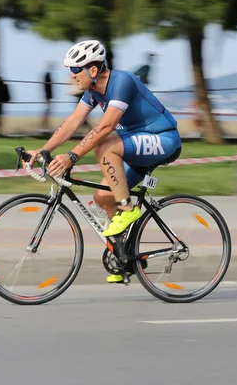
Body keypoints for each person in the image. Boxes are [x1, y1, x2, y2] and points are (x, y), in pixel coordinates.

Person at [26, 40, 182, 283]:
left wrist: (71, 156)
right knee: (102, 197)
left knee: (105, 145)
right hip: (136, 144)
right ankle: (127, 259)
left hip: (163, 138)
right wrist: (42, 150)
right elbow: (72, 123)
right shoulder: (93, 93)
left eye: (75, 70)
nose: (71, 76)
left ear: (94, 70)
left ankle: (128, 210)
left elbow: (106, 126)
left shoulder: (122, 82)